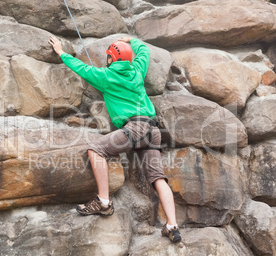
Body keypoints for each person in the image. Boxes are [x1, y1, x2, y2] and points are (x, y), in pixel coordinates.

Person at [49, 36, 181, 243]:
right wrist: (132, 40)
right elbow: (144, 52)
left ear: (111, 57)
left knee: (96, 150)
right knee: (157, 177)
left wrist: (62, 53)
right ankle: (172, 225)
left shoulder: (106, 76)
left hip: (134, 129)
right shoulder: (137, 69)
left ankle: (103, 201)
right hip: (152, 130)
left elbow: (81, 68)